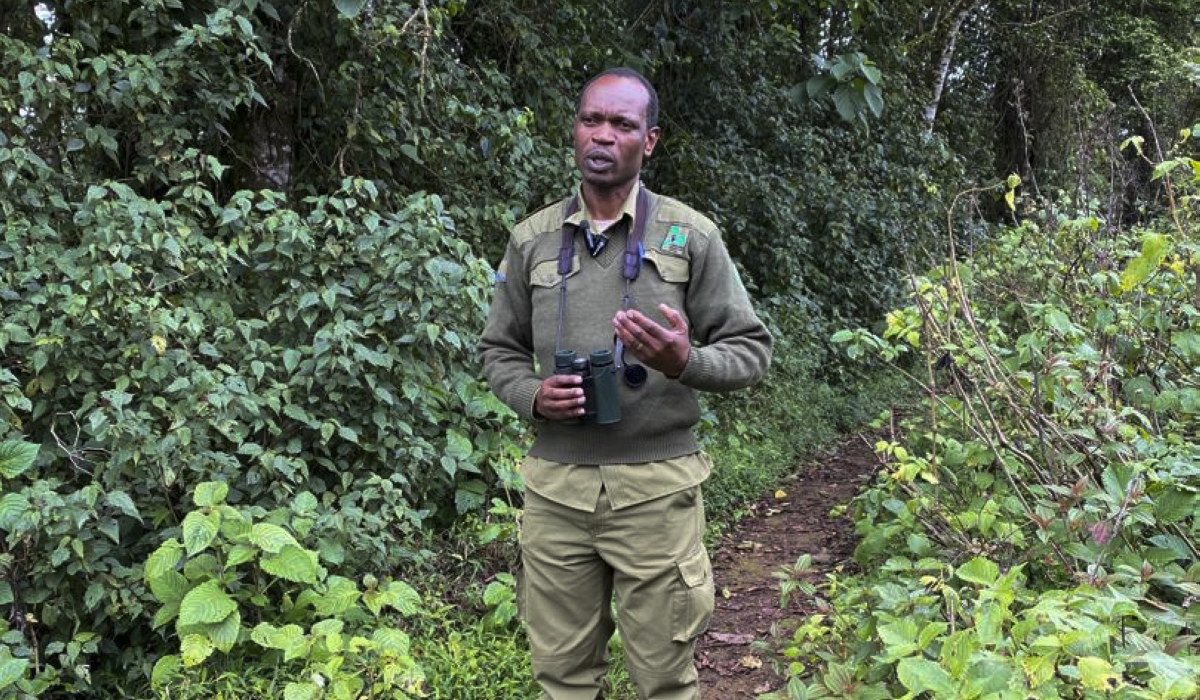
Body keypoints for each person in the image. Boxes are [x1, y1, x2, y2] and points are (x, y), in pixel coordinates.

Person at [478, 67, 772, 700]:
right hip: (555, 491)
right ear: (575, 130)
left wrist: (683, 361)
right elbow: (498, 350)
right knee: (561, 676)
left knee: (664, 678)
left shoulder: (690, 236)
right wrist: (533, 397)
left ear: (650, 140)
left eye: (622, 124)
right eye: (591, 120)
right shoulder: (531, 240)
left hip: (656, 491)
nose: (603, 136)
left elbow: (750, 352)